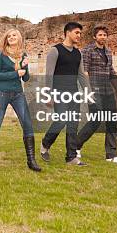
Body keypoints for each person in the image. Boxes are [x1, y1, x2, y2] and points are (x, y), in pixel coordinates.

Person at [0, 29, 41, 172]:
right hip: (1, 94)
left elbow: (26, 78)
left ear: (19, 38)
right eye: (9, 36)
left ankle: (31, 160)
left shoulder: (23, 55)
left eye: (14, 35)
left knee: (27, 124)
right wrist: (15, 73)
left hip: (18, 94)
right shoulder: (1, 54)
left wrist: (25, 67)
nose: (11, 37)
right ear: (6, 39)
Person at [40, 22, 90, 167]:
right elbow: (49, 74)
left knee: (73, 124)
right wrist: (48, 94)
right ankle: (45, 143)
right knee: (61, 121)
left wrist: (88, 92)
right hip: (59, 92)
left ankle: (71, 157)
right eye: (76, 32)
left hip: (74, 93)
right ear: (68, 32)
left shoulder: (78, 53)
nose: (79, 36)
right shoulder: (55, 51)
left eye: (80, 33)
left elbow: (81, 75)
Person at [78, 25, 117, 164]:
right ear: (95, 37)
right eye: (100, 35)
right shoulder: (87, 50)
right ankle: (76, 146)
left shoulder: (109, 52)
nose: (103, 37)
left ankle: (111, 155)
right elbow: (84, 72)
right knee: (96, 120)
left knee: (111, 121)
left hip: (107, 90)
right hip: (94, 89)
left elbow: (111, 72)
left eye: (105, 35)